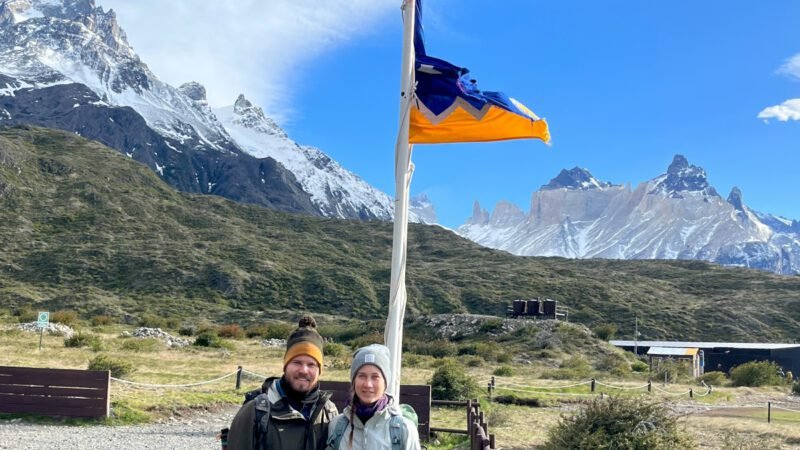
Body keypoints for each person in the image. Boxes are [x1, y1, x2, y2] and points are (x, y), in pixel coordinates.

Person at [227, 315, 338, 450]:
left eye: (311, 364)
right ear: (285, 366)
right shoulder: (255, 412)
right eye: (297, 362)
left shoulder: (329, 412)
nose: (304, 370)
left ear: (319, 370)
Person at [326, 344, 421, 450]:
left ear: (385, 382)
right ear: (353, 381)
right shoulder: (337, 426)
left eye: (375, 377)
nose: (368, 384)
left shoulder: (404, 429)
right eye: (362, 376)